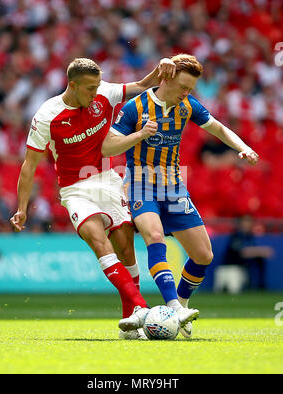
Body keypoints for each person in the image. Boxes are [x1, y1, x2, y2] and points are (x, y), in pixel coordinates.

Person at [10, 56, 195, 340]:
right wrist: (22, 209)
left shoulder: (104, 92)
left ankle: (129, 320)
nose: (96, 93)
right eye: (89, 89)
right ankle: (142, 309)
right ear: (72, 85)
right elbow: (29, 165)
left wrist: (164, 63)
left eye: (98, 87)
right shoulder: (47, 115)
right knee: (99, 242)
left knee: (125, 248)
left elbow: (145, 84)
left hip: (109, 181)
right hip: (75, 189)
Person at [102, 53, 259, 338]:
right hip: (140, 182)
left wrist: (243, 147)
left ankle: (182, 304)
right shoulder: (135, 107)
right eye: (183, 87)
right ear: (167, 78)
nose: (186, 93)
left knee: (204, 254)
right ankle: (173, 305)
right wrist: (138, 135)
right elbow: (107, 148)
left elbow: (218, 128)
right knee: (155, 236)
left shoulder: (187, 106)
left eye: (190, 89)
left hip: (173, 186)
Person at [224, 215, 273, 290]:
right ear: (240, 223)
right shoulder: (236, 235)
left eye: (249, 221)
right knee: (253, 259)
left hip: (245, 262)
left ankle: (261, 285)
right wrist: (261, 251)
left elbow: (251, 249)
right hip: (234, 262)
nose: (247, 224)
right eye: (245, 221)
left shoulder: (250, 235)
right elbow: (242, 252)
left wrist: (258, 252)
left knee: (259, 260)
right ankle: (249, 286)